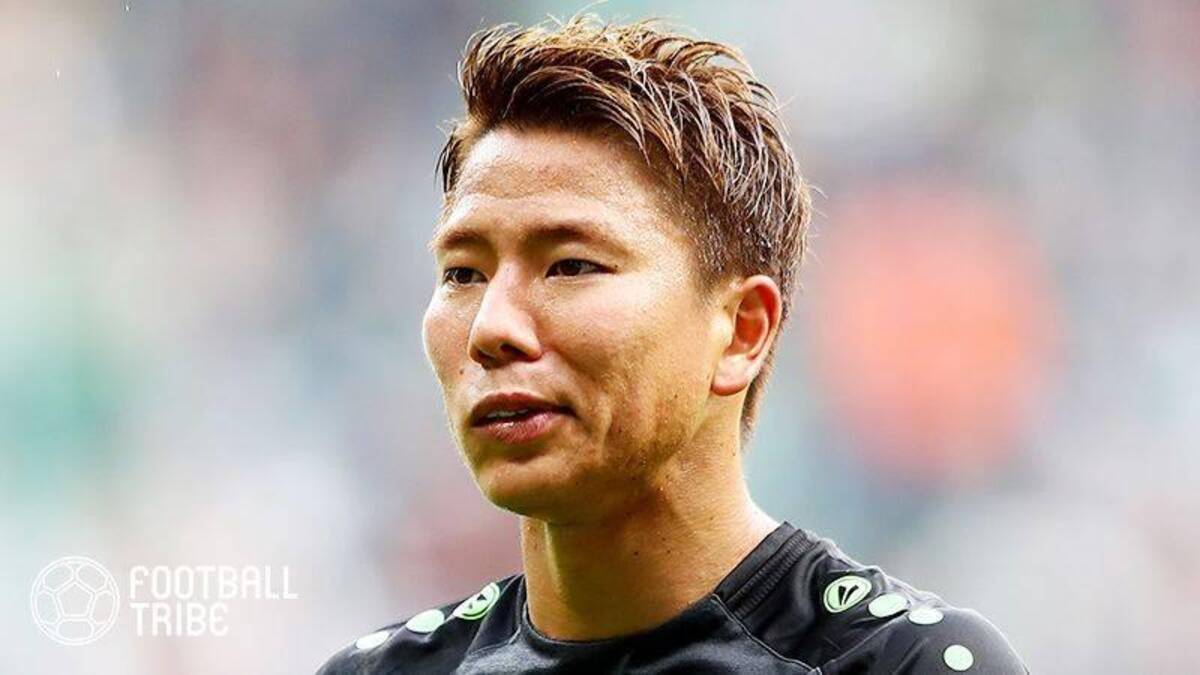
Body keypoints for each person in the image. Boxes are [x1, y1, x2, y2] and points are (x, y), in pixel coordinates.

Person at [317, 15, 1027, 674]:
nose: (491, 329)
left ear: (742, 330)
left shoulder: (902, 663)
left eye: (571, 265)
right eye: (463, 273)